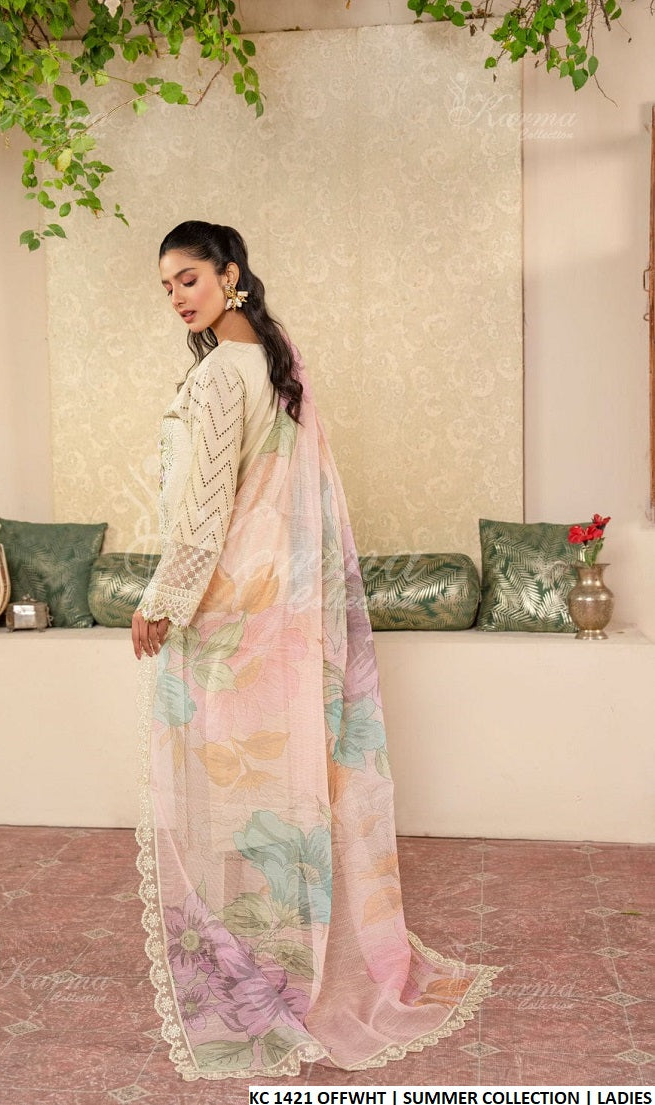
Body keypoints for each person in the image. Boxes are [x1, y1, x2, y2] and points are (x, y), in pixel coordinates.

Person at [131, 221, 503, 1082]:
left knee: (230, 787)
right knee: (285, 783)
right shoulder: (273, 354)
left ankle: (260, 972)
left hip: (228, 608)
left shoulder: (221, 372)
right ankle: (288, 957)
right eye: (167, 286)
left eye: (189, 278)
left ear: (229, 273)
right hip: (284, 607)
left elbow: (202, 510)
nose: (178, 296)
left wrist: (162, 600)